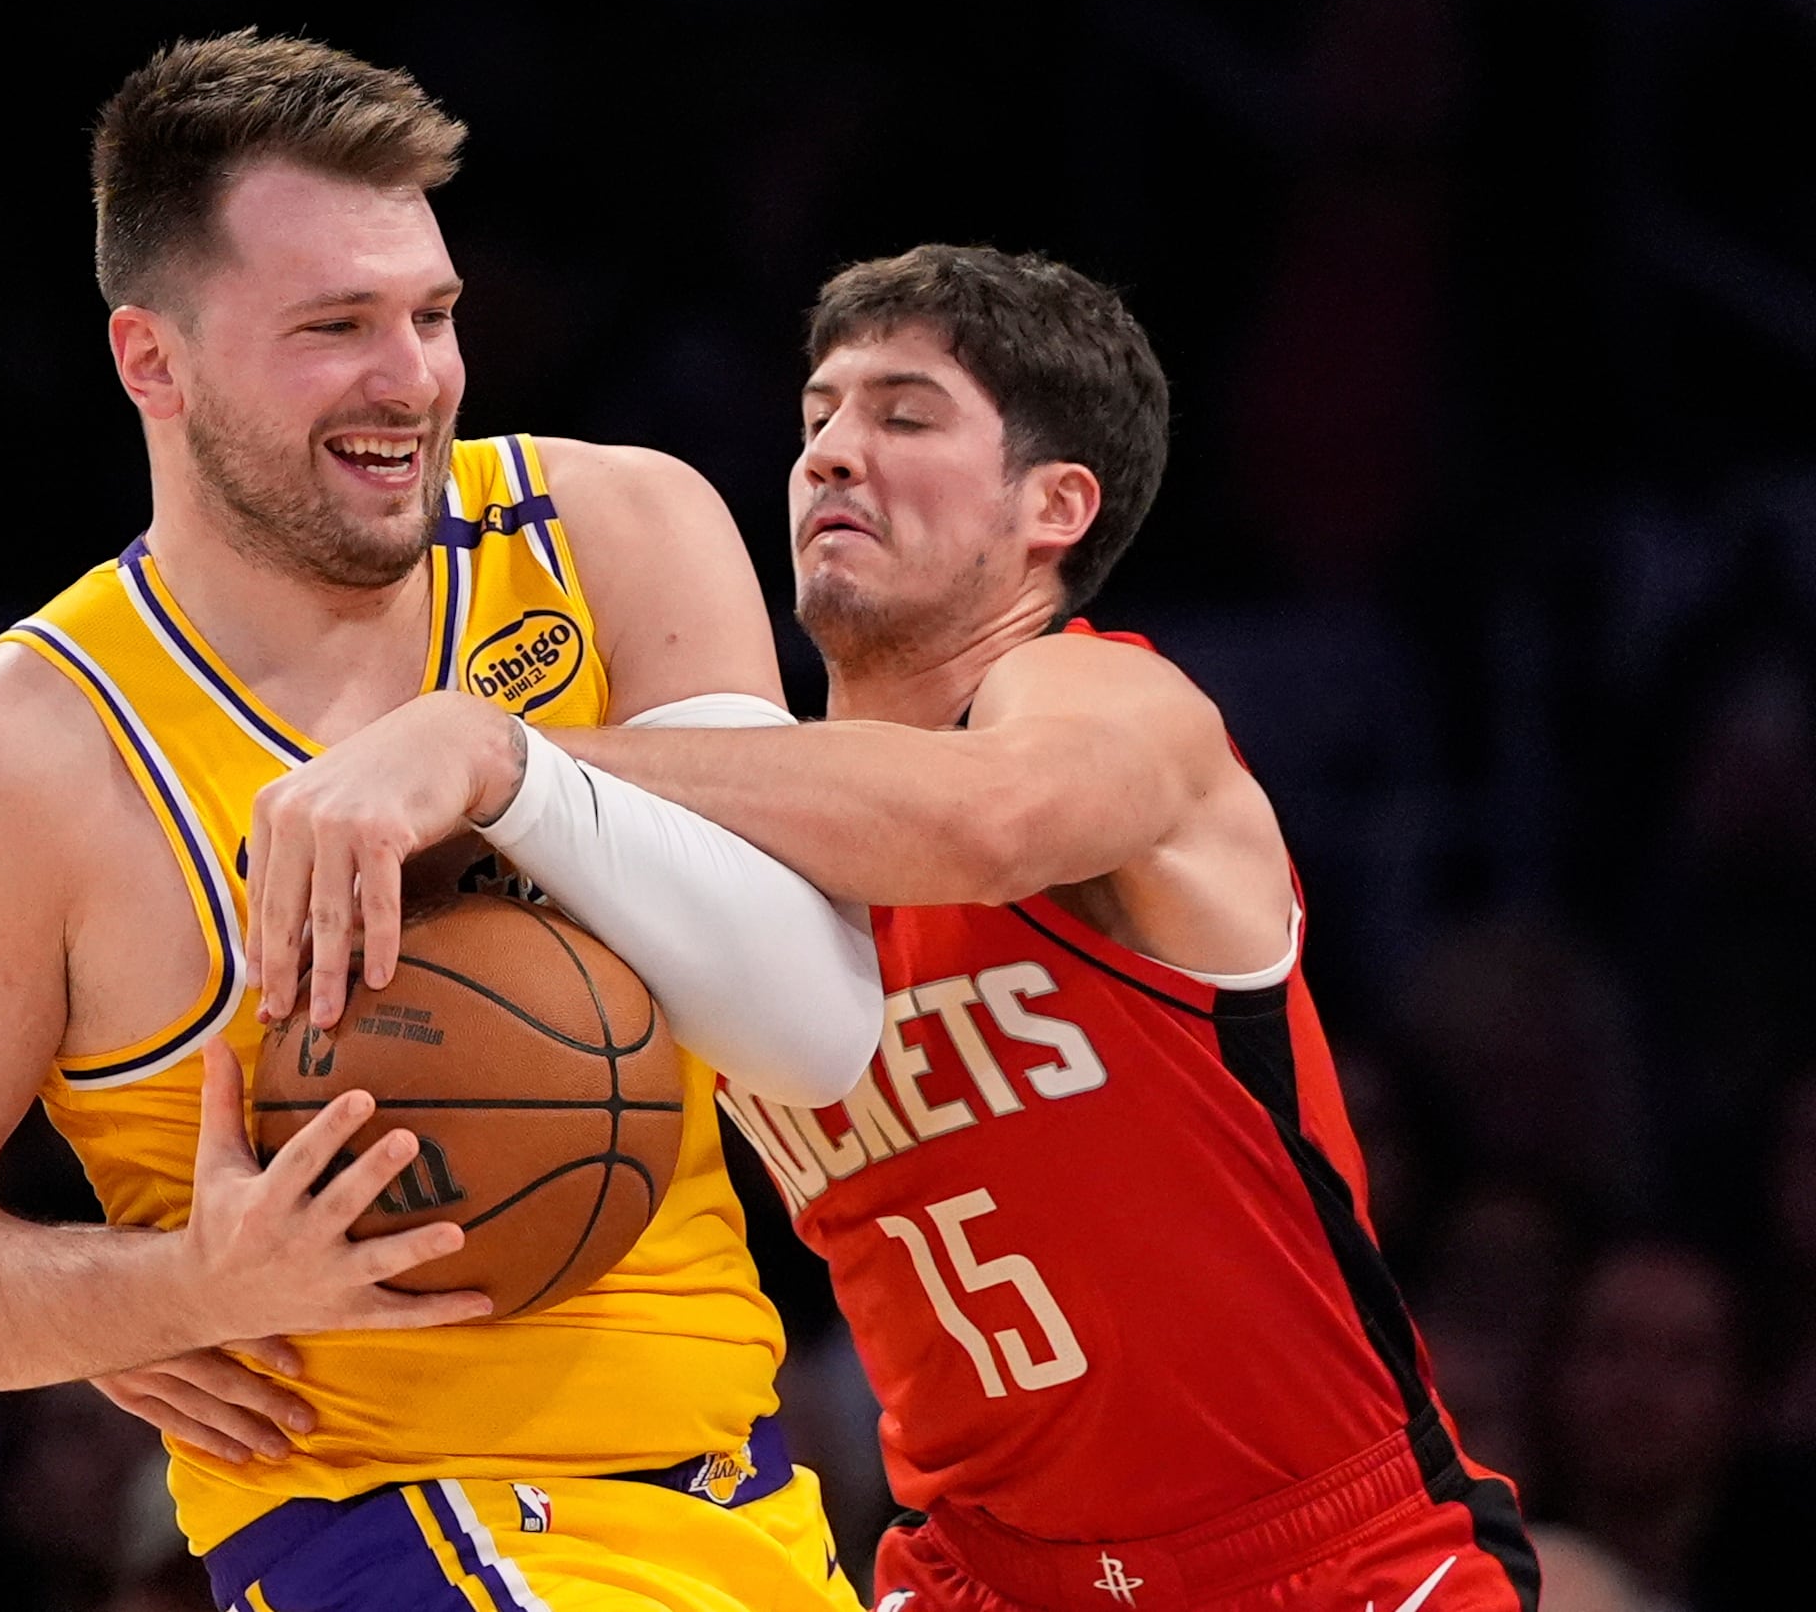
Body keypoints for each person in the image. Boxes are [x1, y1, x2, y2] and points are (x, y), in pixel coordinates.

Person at [249, 244, 1543, 1609]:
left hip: (1326, 1554)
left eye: (903, 416)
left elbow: (990, 821)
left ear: (1056, 505)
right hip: (978, 1572)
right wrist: (188, 1296)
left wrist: (514, 759)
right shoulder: (720, 859)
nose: (830, 455)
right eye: (817, 418)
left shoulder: (1112, 705)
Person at [0, 31, 882, 1610]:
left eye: (432, 314)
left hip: (740, 1499)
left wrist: (508, 766)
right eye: (335, 327)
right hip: (391, 1532)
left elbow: (812, 1034)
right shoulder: (7, 764)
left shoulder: (617, 537)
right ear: (152, 362)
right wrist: (161, 1289)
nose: (412, 377)